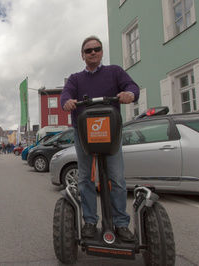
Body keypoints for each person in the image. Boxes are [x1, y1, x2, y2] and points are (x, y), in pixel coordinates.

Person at [60, 36, 140, 242]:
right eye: (88, 51)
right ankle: (89, 221)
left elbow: (132, 86)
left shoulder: (115, 72)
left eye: (96, 49)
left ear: (102, 52)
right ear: (82, 55)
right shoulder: (75, 79)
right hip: (84, 133)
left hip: (110, 132)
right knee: (86, 177)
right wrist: (67, 101)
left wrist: (129, 94)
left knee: (117, 178)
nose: (93, 53)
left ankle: (121, 223)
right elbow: (66, 95)